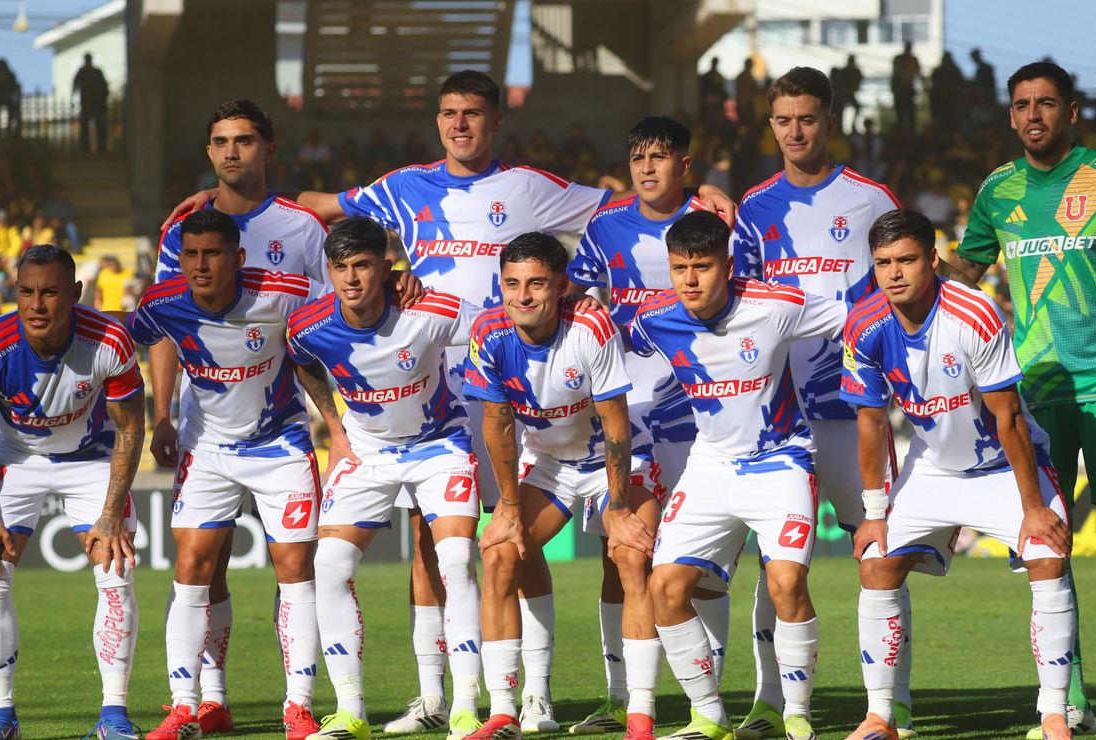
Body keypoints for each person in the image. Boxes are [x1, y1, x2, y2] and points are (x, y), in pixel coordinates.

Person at [164, 70, 736, 735]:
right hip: (439, 380)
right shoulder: (403, 188)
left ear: (495, 122)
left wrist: (699, 193)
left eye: (471, 113)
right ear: (437, 122)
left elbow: (619, 197)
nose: (458, 123)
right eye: (447, 113)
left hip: (527, 377)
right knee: (435, 543)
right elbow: (323, 204)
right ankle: (436, 694)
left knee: (509, 542)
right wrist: (229, 200)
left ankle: (534, 697)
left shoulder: (529, 187)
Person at [944, 60, 1096, 739]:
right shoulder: (996, 191)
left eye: (1045, 102)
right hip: (1033, 394)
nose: (1032, 114)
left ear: (1071, 110)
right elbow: (960, 276)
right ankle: (1070, 700)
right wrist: (890, 292)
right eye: (1021, 105)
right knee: (1049, 551)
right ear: (1010, 117)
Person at [841, 208, 1075, 740]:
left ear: (932, 259)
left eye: (906, 260)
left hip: (1002, 466)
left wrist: (1034, 509)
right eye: (883, 263)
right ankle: (883, 715)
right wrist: (873, 515)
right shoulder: (864, 325)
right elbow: (872, 424)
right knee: (876, 562)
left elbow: (1008, 417)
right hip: (933, 469)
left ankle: (1055, 714)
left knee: (1047, 555)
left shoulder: (974, 313)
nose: (894, 273)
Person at [730, 66, 914, 739]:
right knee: (772, 558)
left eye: (808, 118)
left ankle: (889, 709)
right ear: (770, 123)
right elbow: (739, 308)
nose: (795, 131)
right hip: (777, 415)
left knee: (880, 552)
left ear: (829, 121)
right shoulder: (753, 210)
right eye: (784, 120)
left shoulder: (869, 201)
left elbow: (899, 297)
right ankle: (768, 702)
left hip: (852, 409)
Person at [153, 99, 333, 735]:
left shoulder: (302, 227)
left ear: (268, 148)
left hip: (279, 429)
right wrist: (161, 415)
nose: (233, 152)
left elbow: (321, 328)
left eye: (245, 141)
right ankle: (206, 698)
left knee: (296, 567)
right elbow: (166, 328)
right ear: (209, 152)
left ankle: (300, 706)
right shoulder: (183, 228)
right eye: (221, 142)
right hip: (206, 431)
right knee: (204, 563)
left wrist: (337, 423)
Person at [630, 210, 846, 740]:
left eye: (702, 266)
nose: (690, 280)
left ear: (727, 264)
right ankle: (709, 714)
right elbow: (590, 331)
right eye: (679, 268)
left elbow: (860, 315)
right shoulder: (653, 320)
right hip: (711, 466)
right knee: (664, 586)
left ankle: (793, 714)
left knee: (787, 580)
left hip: (781, 463)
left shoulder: (776, 305)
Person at [284, 217, 484, 739]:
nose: (350, 278)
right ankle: (351, 711)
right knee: (327, 567)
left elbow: (497, 326)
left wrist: (578, 304)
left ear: (386, 267)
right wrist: (333, 426)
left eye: (363, 266)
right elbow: (301, 360)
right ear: (329, 271)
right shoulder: (309, 324)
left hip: (440, 442)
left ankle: (464, 707)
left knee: (457, 558)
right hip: (367, 451)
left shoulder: (429, 310)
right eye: (340, 267)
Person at [565, 116, 730, 737]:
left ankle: (706, 698)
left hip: (701, 408)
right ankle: (622, 700)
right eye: (638, 157)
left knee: (702, 559)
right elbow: (576, 300)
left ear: (685, 164)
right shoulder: (606, 228)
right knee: (623, 554)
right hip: (629, 408)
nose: (647, 168)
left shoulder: (716, 223)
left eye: (660, 156)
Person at [462, 232, 656, 740]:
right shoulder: (489, 332)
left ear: (561, 285)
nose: (523, 296)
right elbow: (498, 426)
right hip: (549, 464)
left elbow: (617, 423)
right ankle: (510, 709)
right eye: (512, 284)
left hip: (612, 461)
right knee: (502, 553)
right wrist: (506, 505)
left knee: (629, 556)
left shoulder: (590, 324)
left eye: (536, 284)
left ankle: (636, 712)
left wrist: (616, 507)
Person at [0, 245, 145, 740]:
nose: (36, 304)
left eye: (49, 292)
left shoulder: (110, 339)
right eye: (26, 292)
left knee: (117, 567)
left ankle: (114, 716)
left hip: (90, 456)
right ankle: (0, 717)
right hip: (14, 456)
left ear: (75, 293)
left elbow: (131, 430)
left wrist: (111, 514)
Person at [73, 53, 109, 153]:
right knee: (90, 126)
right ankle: (89, 147)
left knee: (97, 125)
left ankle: (96, 147)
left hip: (93, 103)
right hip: (91, 103)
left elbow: (104, 87)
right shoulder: (92, 72)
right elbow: (75, 86)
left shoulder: (92, 72)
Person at [891, 43, 920, 132]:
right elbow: (895, 73)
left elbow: (918, 72)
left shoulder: (913, 60)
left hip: (908, 89)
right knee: (900, 111)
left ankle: (911, 130)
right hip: (899, 89)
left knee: (910, 111)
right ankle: (900, 129)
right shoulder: (898, 59)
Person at [0, 59, 19, 138]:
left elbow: (13, 86)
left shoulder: (11, 75)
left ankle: (9, 130)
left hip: (7, 98)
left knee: (12, 112)